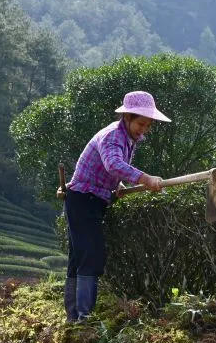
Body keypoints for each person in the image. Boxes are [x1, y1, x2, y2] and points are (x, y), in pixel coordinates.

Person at [63, 90, 171, 322]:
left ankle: (74, 317)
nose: (144, 129)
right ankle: (83, 317)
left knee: (79, 258)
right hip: (84, 198)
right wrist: (145, 178)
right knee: (91, 255)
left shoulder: (128, 138)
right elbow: (113, 163)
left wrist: (119, 184)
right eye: (141, 123)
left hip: (92, 198)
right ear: (128, 117)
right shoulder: (113, 135)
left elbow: (109, 168)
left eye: (148, 125)